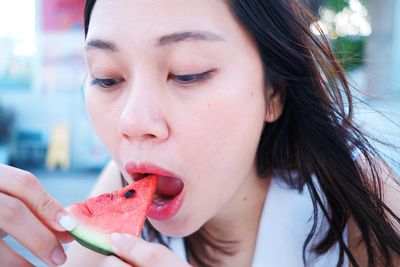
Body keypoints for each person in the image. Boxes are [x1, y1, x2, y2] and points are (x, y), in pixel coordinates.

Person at [1, 0, 400, 266]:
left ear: (273, 92)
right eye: (106, 78)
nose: (132, 121)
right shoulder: (116, 179)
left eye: (188, 73)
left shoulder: (361, 200)